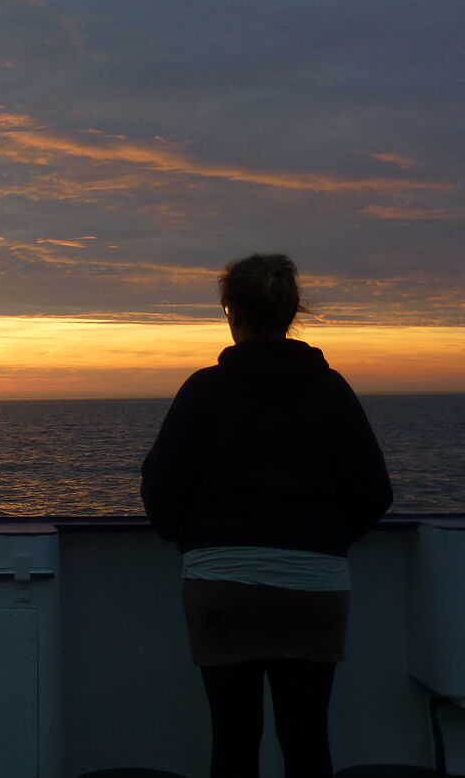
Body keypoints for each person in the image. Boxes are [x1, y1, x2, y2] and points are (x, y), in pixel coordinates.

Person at [140, 253, 392, 778]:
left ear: (230, 311)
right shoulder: (331, 391)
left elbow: (161, 493)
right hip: (313, 586)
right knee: (306, 740)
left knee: (233, 741)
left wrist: (194, 537)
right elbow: (374, 492)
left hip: (220, 582)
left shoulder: (203, 391)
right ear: (293, 309)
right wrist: (325, 541)